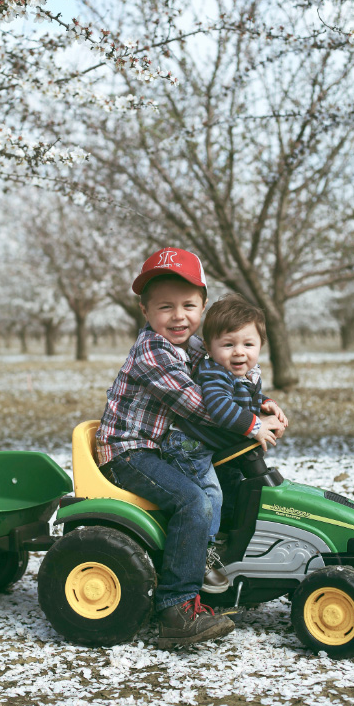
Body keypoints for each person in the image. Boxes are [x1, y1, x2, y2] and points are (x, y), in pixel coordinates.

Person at [96, 247, 237, 649]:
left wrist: (259, 404)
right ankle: (176, 608)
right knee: (193, 501)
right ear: (145, 311)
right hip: (129, 452)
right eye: (165, 307)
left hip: (161, 448)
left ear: (203, 306)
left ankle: (205, 555)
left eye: (189, 305)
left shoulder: (193, 347)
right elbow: (196, 404)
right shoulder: (152, 350)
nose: (179, 316)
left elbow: (223, 378)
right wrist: (250, 423)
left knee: (225, 475)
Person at [174, 293, 288, 555]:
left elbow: (245, 396)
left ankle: (228, 532)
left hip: (216, 445)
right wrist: (256, 426)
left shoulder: (247, 372)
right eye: (228, 345)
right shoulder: (214, 372)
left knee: (234, 483)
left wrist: (265, 403)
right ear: (209, 347)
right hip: (189, 446)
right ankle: (204, 552)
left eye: (248, 344)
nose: (239, 352)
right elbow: (220, 407)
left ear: (261, 345)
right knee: (210, 493)